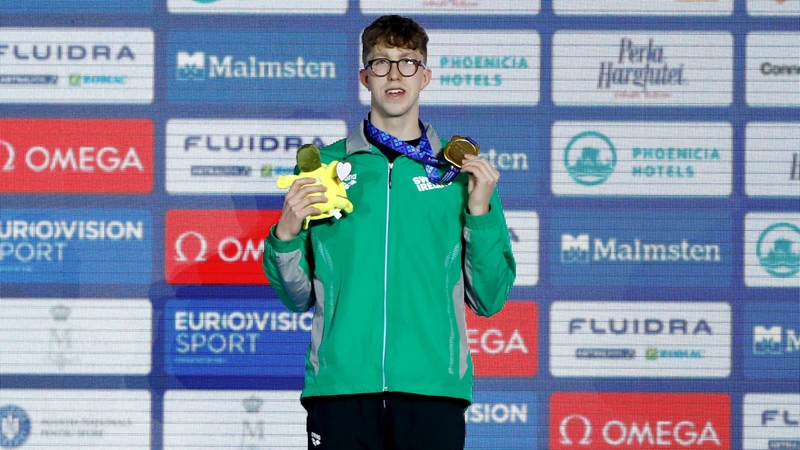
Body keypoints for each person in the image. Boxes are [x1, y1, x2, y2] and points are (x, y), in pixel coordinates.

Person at [262, 14, 516, 450]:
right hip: (341, 389)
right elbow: (297, 296)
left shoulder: (459, 175)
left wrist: (481, 211)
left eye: (407, 63)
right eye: (381, 63)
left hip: (432, 389)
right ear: (364, 76)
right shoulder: (324, 169)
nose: (394, 74)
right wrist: (285, 235)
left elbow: (489, 298)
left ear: (426, 76)